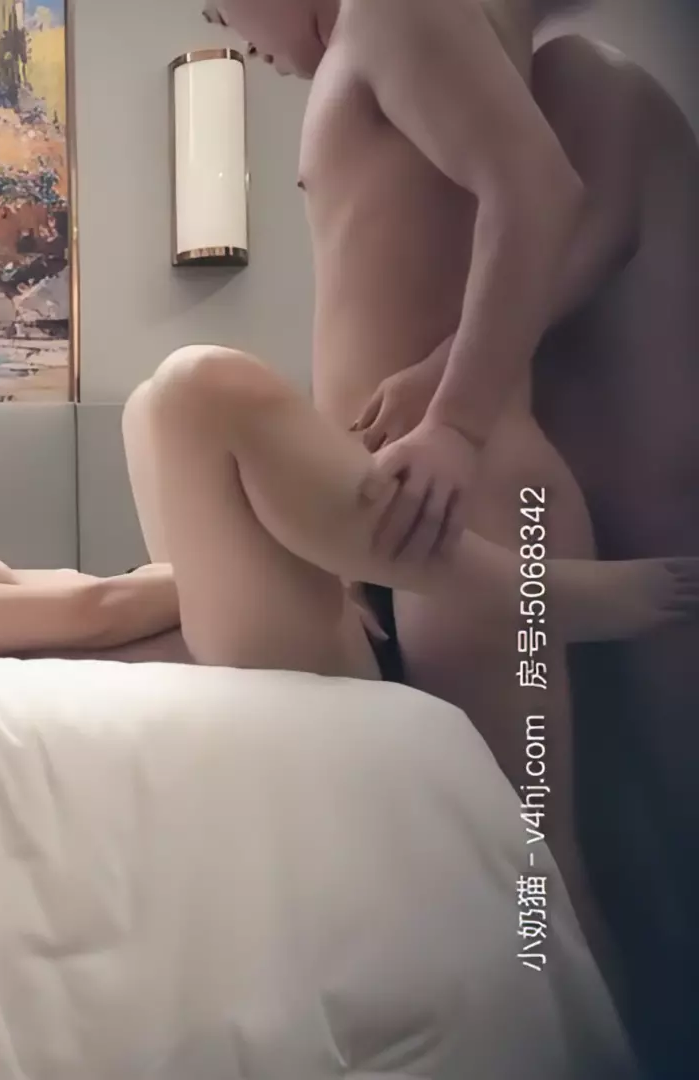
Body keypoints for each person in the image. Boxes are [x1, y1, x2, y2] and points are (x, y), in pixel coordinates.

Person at [195, 0, 617, 974]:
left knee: (531, 869)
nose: (226, 27)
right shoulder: (366, 40)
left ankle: (607, 1045)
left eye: (218, 4)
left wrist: (457, 425)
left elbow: (538, 190)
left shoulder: (393, 9)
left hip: (480, 497)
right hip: (417, 516)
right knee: (480, 874)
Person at [0, 348, 698, 680]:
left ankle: (491, 585)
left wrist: (280, 542)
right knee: (197, 389)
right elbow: (94, 614)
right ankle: (541, 597)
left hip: (207, 631)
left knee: (160, 403)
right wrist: (283, 552)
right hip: (215, 648)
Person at [357, 33, 699, 1075]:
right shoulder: (491, 95)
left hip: (589, 512)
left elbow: (578, 228)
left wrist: (440, 388)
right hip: (561, 506)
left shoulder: (578, 80)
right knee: (578, 843)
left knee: (580, 848)